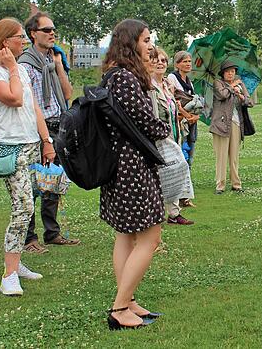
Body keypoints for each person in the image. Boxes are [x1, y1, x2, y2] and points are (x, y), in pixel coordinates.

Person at [100, 19, 171, 330]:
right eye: (144, 40)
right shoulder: (124, 79)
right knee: (150, 237)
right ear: (130, 43)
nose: (149, 46)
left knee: (125, 235)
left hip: (121, 165)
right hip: (131, 167)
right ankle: (119, 308)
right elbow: (144, 121)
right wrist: (166, 126)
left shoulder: (113, 76)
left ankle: (127, 300)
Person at [0, 17, 52, 296]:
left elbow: (32, 107)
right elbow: (14, 98)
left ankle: (16, 263)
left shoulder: (19, 68)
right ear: (5, 41)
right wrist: (10, 68)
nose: (25, 41)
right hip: (9, 146)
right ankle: (9, 276)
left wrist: (46, 141)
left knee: (28, 205)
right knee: (23, 208)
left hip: (32, 143)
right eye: (20, 36)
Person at [17, 11, 80, 253]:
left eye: (53, 29)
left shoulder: (49, 62)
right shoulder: (25, 64)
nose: (52, 33)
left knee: (52, 181)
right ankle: (29, 238)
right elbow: (29, 104)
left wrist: (58, 67)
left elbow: (66, 94)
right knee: (33, 185)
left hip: (57, 126)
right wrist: (44, 139)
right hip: (36, 130)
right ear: (33, 34)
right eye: (46, 30)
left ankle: (52, 233)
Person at [149, 47, 193, 225]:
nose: (160, 63)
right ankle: (158, 213)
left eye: (163, 60)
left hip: (173, 134)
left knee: (175, 171)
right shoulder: (148, 87)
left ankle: (174, 213)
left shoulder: (168, 85)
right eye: (156, 60)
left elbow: (174, 108)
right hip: (158, 138)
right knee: (161, 175)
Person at [210, 60, 251, 193]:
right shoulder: (218, 83)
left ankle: (236, 184)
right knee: (221, 156)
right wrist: (232, 87)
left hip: (236, 123)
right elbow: (222, 95)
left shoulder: (240, 83)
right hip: (220, 123)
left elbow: (249, 102)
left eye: (233, 71)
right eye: (228, 71)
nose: (230, 74)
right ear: (223, 73)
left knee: (234, 156)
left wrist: (241, 95)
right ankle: (220, 185)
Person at [166, 50, 200, 208]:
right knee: (181, 158)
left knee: (189, 157)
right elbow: (174, 102)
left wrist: (194, 115)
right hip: (181, 123)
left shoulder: (189, 82)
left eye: (189, 61)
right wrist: (187, 115)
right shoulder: (172, 78)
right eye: (185, 61)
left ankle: (185, 196)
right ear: (177, 63)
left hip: (191, 123)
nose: (188, 64)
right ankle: (178, 195)